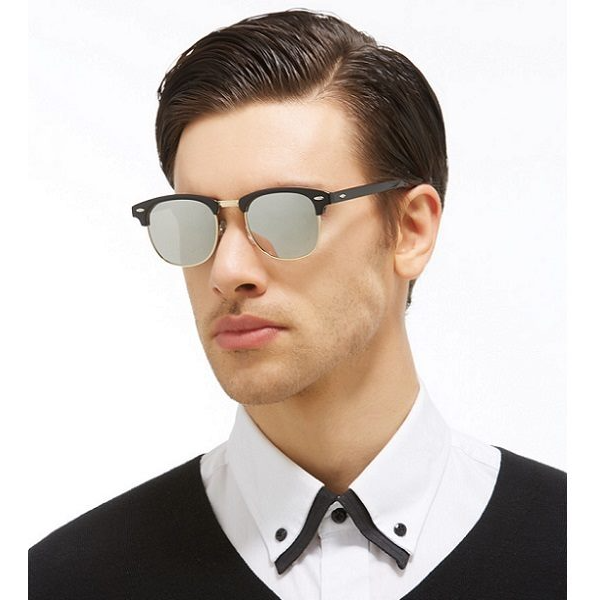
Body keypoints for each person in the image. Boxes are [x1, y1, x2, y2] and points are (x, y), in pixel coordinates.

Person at [29, 8, 566, 600]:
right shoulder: (66, 580)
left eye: (286, 214)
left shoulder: (571, 550)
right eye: (195, 220)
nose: (228, 272)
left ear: (411, 230)